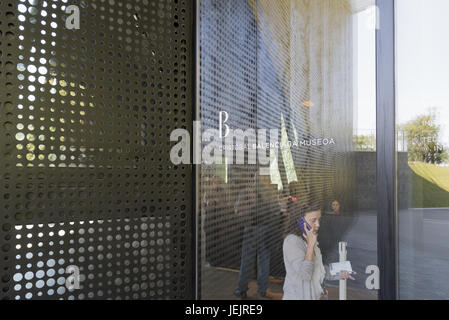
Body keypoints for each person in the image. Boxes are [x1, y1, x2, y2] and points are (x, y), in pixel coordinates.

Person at [282, 204, 355, 300]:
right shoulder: (292, 241)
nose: (318, 224)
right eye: (313, 220)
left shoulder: (311, 240)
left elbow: (318, 270)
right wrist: (311, 245)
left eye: (319, 219)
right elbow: (305, 274)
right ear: (300, 222)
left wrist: (339, 273)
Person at [234, 174, 280, 299]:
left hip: (250, 229)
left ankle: (242, 289)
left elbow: (237, 211)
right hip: (266, 230)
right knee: (264, 260)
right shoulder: (270, 193)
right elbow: (277, 211)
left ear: (253, 181)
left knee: (246, 260)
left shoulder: (246, 192)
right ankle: (262, 289)